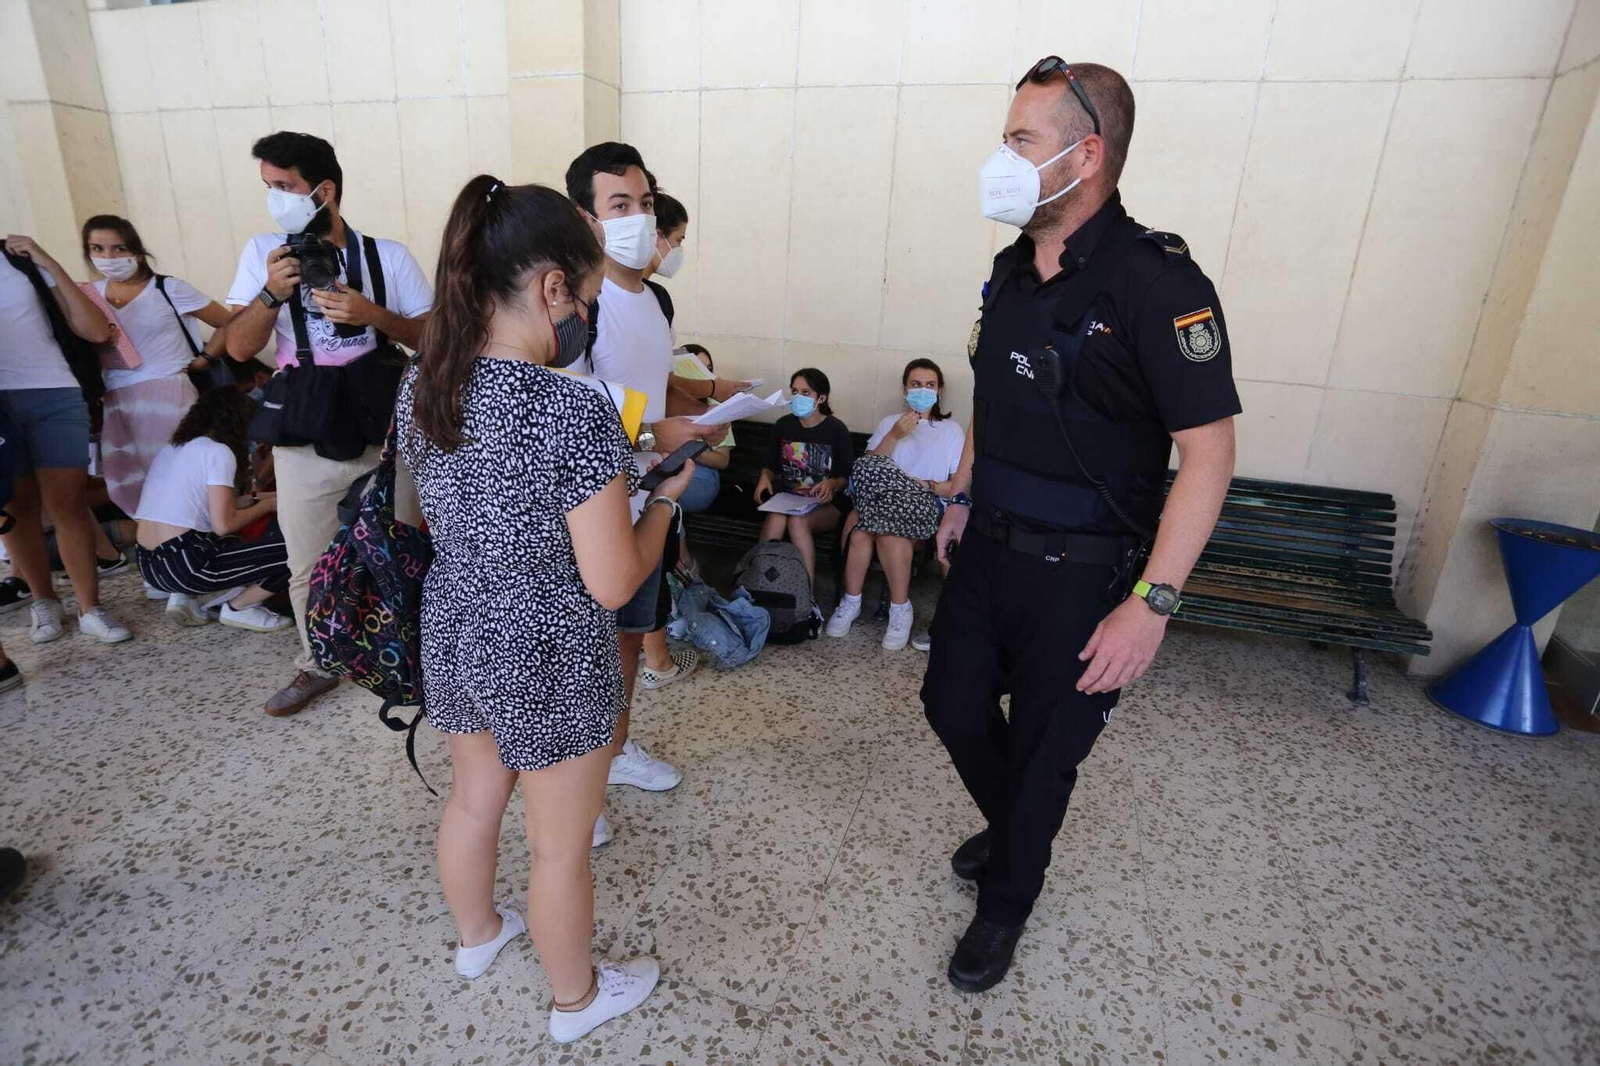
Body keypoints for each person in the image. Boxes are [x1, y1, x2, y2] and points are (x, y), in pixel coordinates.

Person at [922, 60, 1239, 993]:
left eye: (1020, 140)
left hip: (1088, 574)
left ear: (1085, 154)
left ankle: (1008, 901)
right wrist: (963, 494)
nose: (1001, 157)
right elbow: (994, 394)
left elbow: (1209, 458)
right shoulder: (1010, 269)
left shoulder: (1159, 285)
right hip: (988, 549)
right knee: (950, 705)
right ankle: (1016, 829)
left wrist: (1154, 604)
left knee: (1045, 753)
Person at [397, 175, 682, 1043]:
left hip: (455, 617)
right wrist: (666, 501)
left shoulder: (423, 388)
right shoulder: (571, 407)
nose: (585, 318)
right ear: (554, 288)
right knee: (559, 846)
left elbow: (423, 511)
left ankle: (479, 938)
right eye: (586, 297)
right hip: (548, 640)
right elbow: (613, 583)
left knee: (474, 799)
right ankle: (577, 1001)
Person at [224, 131, 432, 717]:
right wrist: (271, 293)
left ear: (325, 190)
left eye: (285, 187)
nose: (276, 200)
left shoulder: (386, 256)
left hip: (385, 423)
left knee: (405, 543)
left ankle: (416, 656)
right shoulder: (265, 253)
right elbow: (238, 349)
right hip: (307, 426)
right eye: (269, 188)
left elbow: (436, 338)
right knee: (308, 558)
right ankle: (317, 660)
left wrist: (374, 316)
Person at [565, 143, 732, 802]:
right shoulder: (579, 303)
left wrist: (698, 413)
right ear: (587, 219)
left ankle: (613, 753)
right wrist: (648, 431)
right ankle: (572, 798)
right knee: (582, 659)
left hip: (648, 500)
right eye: (618, 205)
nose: (637, 217)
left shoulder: (655, 302)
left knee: (631, 642)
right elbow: (569, 417)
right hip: (589, 514)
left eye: (644, 203)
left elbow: (649, 378)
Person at [1, 234, 131, 645]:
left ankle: (91, 607)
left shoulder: (19, 260)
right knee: (15, 505)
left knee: (69, 503)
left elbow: (94, 329)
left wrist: (47, 260)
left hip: (54, 390)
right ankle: (43, 601)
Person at [81, 215, 232, 526]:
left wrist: (204, 357)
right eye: (98, 248)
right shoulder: (88, 295)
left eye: (118, 248)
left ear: (136, 250)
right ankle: (157, 539)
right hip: (117, 397)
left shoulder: (167, 288)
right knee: (127, 476)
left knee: (176, 470)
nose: (108, 257)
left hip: (168, 392)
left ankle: (193, 536)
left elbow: (230, 321)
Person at [826, 359, 964, 650]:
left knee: (889, 533)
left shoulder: (951, 430)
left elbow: (956, 485)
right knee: (860, 531)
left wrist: (924, 484)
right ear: (905, 389)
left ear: (940, 391)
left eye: (930, 385)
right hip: (883, 500)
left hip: (925, 501)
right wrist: (894, 435)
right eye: (916, 385)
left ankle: (900, 609)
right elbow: (867, 470)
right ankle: (851, 601)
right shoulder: (890, 423)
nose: (922, 391)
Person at [135, 387, 290, 632]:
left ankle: (184, 596)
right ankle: (240, 607)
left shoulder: (174, 448)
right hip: (186, 564)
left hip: (150, 565)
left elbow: (204, 506)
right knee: (301, 550)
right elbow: (224, 524)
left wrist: (261, 498)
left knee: (234, 539)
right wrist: (268, 505)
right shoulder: (219, 452)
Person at [754, 368, 854, 583]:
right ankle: (760, 584)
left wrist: (832, 483)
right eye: (795, 391)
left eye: (806, 392)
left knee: (797, 523)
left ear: (822, 398)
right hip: (789, 499)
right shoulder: (784, 425)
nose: (798, 397)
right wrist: (765, 477)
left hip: (825, 504)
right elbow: (770, 465)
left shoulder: (836, 429)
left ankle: (806, 593)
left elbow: (846, 476)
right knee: (776, 518)